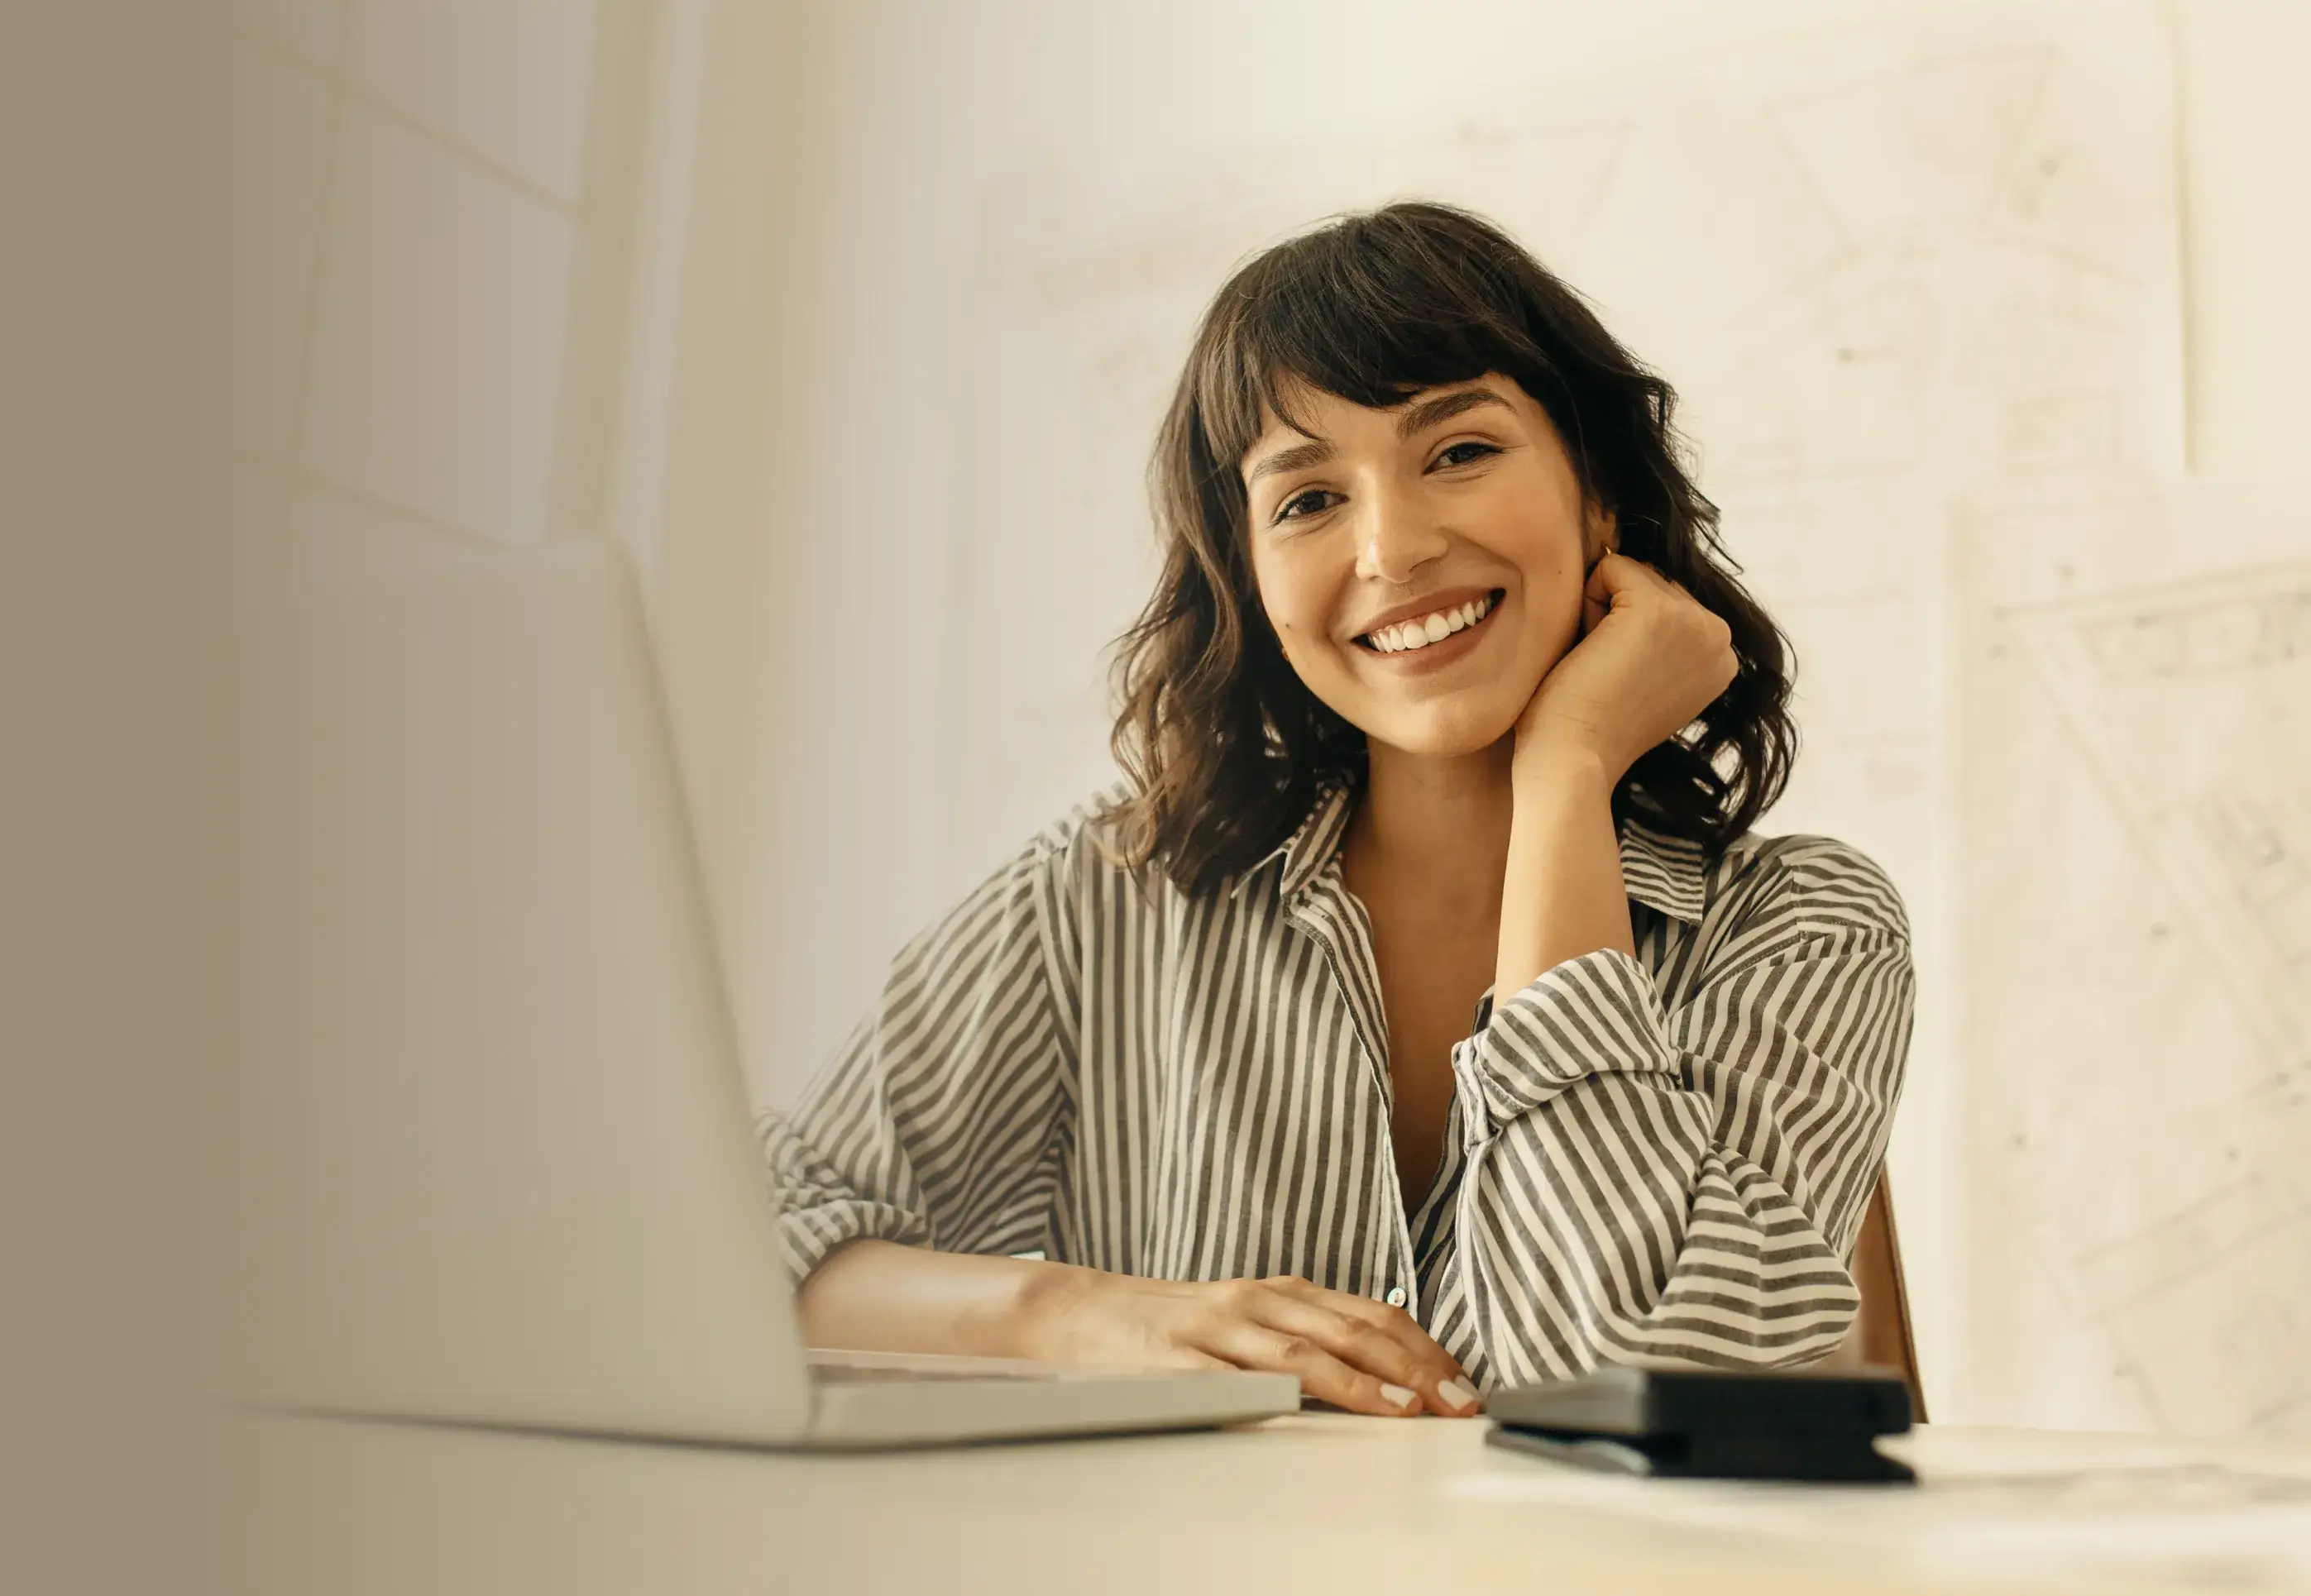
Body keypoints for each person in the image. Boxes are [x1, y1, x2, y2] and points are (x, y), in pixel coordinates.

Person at [756, 201, 1914, 1417]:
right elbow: (741, 1246)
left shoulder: (1809, 926)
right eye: (1307, 500)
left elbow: (1630, 1389)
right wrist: (1084, 1312)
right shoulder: (1104, 894)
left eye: (1460, 451)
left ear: (1598, 500)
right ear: (1250, 579)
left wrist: (1567, 774)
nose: (1394, 547)